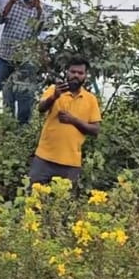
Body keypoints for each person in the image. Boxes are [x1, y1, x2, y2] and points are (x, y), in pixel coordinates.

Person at [30, 57, 102, 187]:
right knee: (34, 200)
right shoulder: (54, 90)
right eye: (73, 71)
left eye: (80, 73)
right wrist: (54, 97)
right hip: (44, 158)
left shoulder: (91, 100)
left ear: (86, 76)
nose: (76, 75)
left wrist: (73, 120)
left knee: (62, 204)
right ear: (67, 72)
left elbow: (95, 130)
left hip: (70, 164)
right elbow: (41, 108)